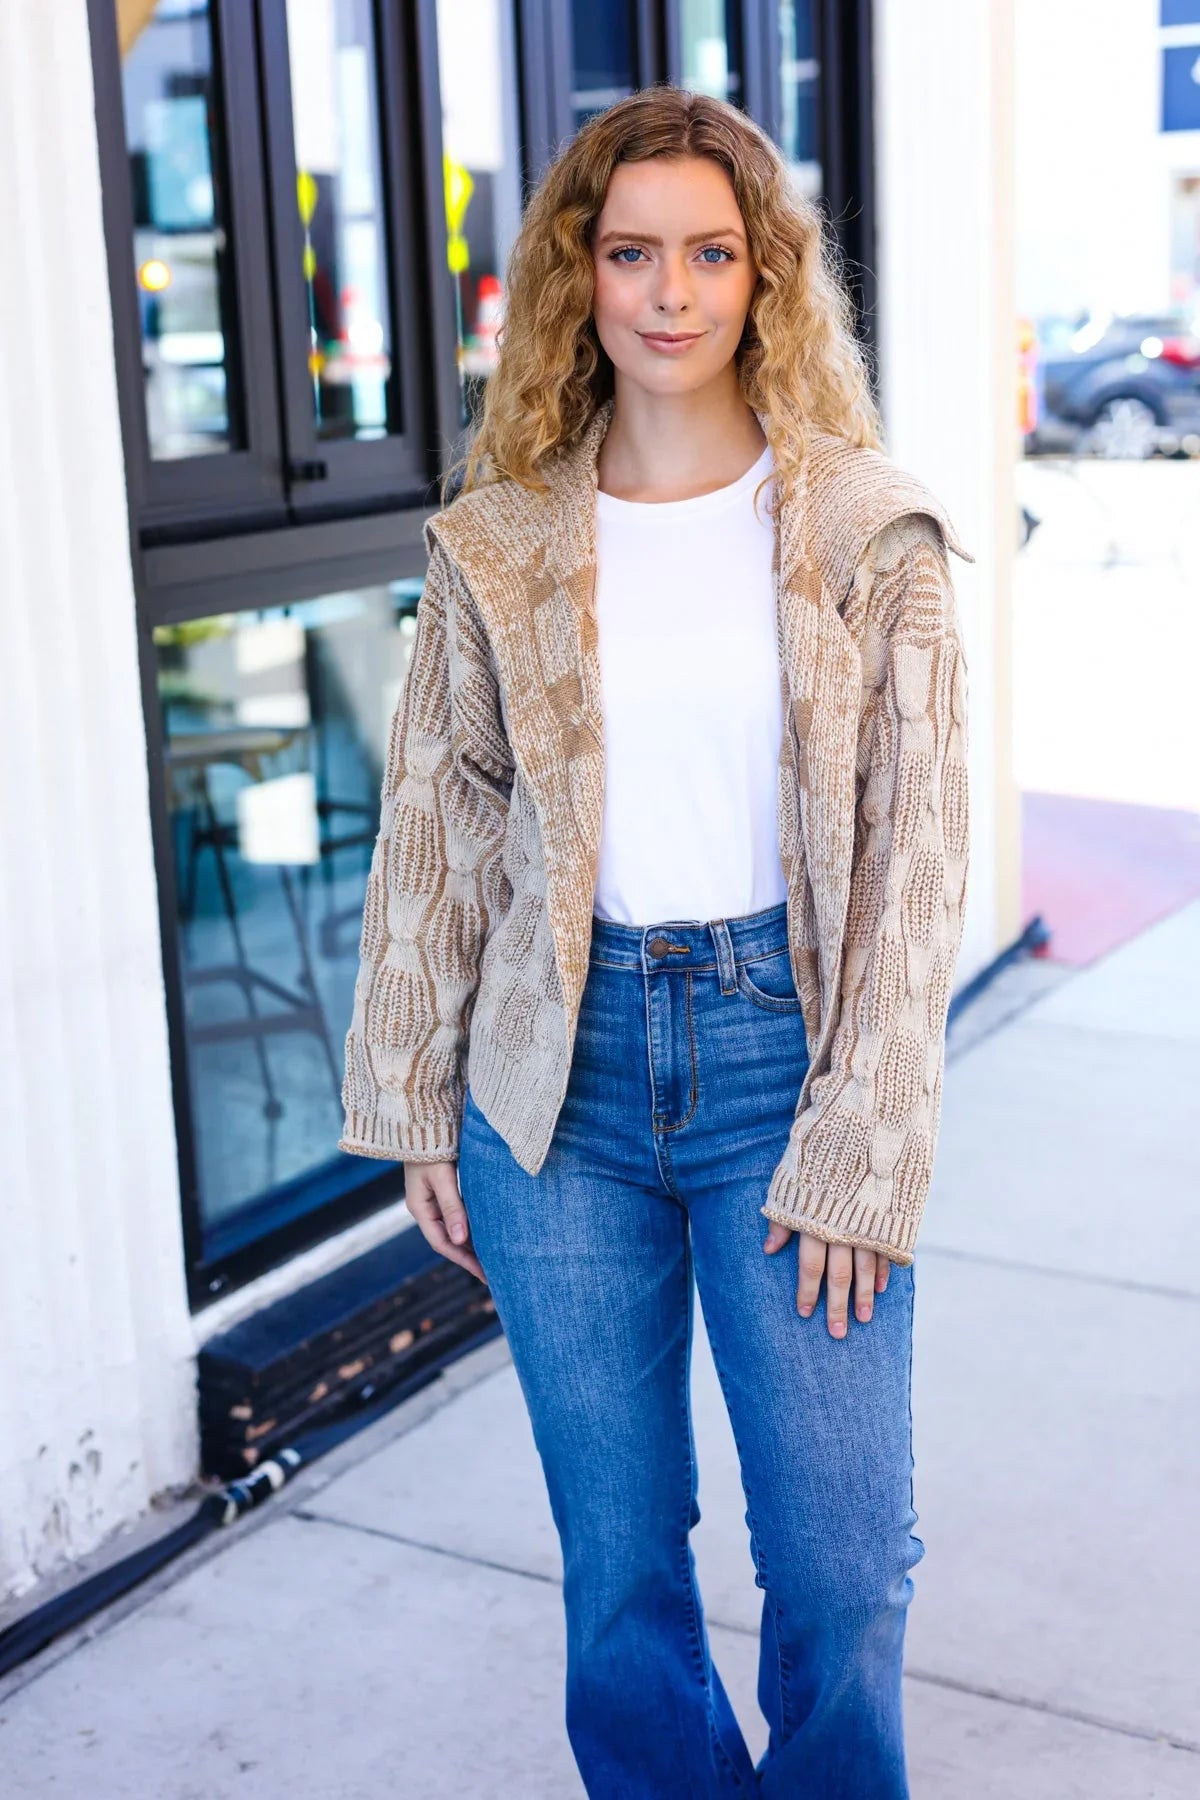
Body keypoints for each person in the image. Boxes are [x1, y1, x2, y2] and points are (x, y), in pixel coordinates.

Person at [339, 84, 973, 1800]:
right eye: (633, 253)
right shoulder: (505, 536)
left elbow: (918, 862)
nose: (671, 293)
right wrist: (413, 1095)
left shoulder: (865, 528)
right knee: (618, 1569)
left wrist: (870, 1134)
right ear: (580, 277)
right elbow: (441, 823)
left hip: (791, 1062)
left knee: (842, 1565)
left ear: (766, 277)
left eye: (710, 252)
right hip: (561, 1084)